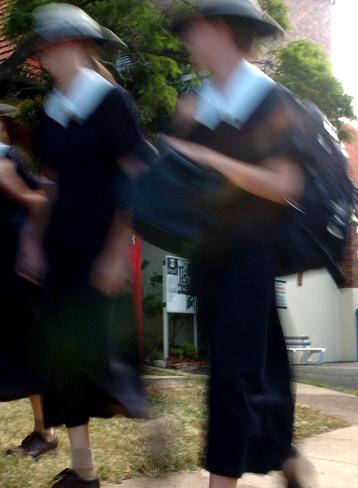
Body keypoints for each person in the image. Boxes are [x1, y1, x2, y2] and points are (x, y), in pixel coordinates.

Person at [164, 1, 313, 486]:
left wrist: (210, 159)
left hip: (252, 253)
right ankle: (283, 450)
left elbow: (286, 183)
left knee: (230, 378)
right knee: (254, 367)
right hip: (210, 254)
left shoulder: (270, 101)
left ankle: (222, 480)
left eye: (195, 28)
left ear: (222, 29)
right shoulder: (197, 103)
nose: (186, 38)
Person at [14, 4, 147, 487]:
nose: (43, 56)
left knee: (105, 365)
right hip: (60, 252)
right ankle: (84, 469)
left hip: (100, 251)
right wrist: (31, 238)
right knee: (64, 360)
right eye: (41, 49)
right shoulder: (51, 113)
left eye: (50, 45)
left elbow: (135, 178)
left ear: (79, 46)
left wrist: (117, 251)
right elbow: (49, 184)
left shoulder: (112, 103)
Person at [0, 108, 59, 459]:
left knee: (28, 350)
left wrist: (16, 190)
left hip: (16, 276)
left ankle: (45, 431)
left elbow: (43, 203)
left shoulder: (11, 159)